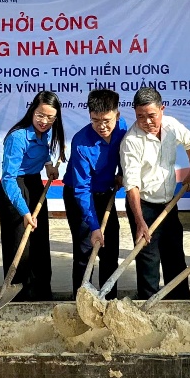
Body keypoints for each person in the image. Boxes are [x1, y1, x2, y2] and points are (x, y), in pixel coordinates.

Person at [120, 87, 190, 300]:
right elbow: (132, 186)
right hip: (143, 204)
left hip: (168, 203)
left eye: (151, 115)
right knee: (148, 258)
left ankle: (181, 302)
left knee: (175, 255)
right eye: (140, 116)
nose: (147, 121)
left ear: (162, 109)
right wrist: (140, 222)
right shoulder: (131, 142)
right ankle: (148, 305)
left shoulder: (171, 125)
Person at [0, 91, 66, 301]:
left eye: (50, 117)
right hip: (14, 190)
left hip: (35, 185)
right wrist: (24, 212)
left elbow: (44, 150)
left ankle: (42, 294)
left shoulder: (45, 131)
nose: (44, 121)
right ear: (32, 111)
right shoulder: (17, 137)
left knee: (40, 241)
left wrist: (48, 165)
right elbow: (8, 179)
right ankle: (18, 298)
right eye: (40, 115)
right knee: (20, 244)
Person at [63, 89, 127, 299]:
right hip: (79, 196)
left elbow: (125, 154)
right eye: (95, 120)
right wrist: (94, 226)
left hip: (105, 194)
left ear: (117, 115)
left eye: (107, 120)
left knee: (110, 249)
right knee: (85, 251)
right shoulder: (81, 142)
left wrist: (121, 173)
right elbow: (82, 189)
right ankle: (82, 301)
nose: (102, 126)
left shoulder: (123, 128)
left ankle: (109, 301)